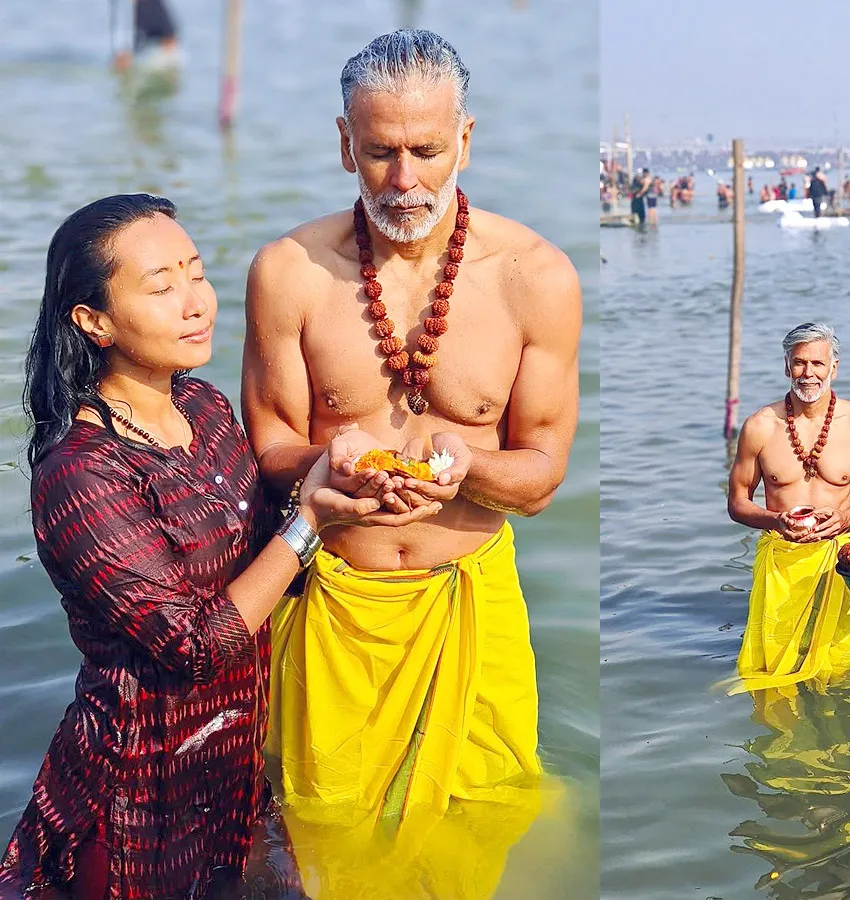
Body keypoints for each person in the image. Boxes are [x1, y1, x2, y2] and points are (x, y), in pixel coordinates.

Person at [0, 195, 432, 899]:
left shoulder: (204, 408)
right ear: (93, 321)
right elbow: (194, 647)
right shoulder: (80, 473)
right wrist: (311, 523)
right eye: (160, 287)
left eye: (195, 273)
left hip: (232, 771)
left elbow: (272, 561)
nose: (194, 301)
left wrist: (349, 487)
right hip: (136, 792)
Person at [240, 27, 581, 865]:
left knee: (482, 825)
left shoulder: (536, 277)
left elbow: (539, 477)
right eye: (380, 151)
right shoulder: (289, 271)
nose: (404, 179)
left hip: (469, 597)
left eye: (426, 150)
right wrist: (329, 466)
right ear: (343, 143)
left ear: (465, 138)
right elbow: (270, 443)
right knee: (323, 833)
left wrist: (469, 468)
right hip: (335, 604)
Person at [726, 323, 850, 692]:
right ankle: (779, 745)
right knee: (773, 671)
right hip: (780, 561)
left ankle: (835, 742)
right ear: (786, 366)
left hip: (838, 560)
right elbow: (737, 502)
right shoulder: (760, 426)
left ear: (834, 367)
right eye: (799, 363)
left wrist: (847, 517)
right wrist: (774, 520)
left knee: (837, 672)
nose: (808, 373)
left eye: (818, 363)